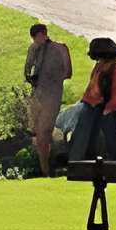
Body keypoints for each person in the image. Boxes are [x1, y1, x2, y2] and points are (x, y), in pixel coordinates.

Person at [58, 34, 116, 165]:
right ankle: (75, 162)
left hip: (108, 109)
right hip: (90, 105)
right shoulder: (98, 67)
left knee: (111, 138)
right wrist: (84, 102)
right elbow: (91, 87)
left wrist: (107, 111)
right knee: (81, 134)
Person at [21, 23, 76, 173]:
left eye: (37, 37)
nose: (35, 41)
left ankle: (46, 168)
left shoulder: (60, 49)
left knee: (44, 131)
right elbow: (27, 70)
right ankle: (45, 165)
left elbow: (68, 73)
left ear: (43, 34)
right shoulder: (33, 49)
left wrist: (51, 75)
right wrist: (32, 76)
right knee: (39, 132)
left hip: (52, 94)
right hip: (38, 94)